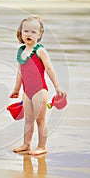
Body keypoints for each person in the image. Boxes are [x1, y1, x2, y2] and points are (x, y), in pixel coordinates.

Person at [10, 15, 66, 155]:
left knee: (40, 120)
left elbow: (49, 69)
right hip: (26, 91)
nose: (29, 34)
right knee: (28, 119)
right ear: (20, 32)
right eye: (26, 31)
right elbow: (19, 72)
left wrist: (57, 86)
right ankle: (26, 144)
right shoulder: (21, 51)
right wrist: (16, 89)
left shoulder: (40, 50)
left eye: (33, 32)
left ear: (40, 34)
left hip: (39, 91)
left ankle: (42, 146)